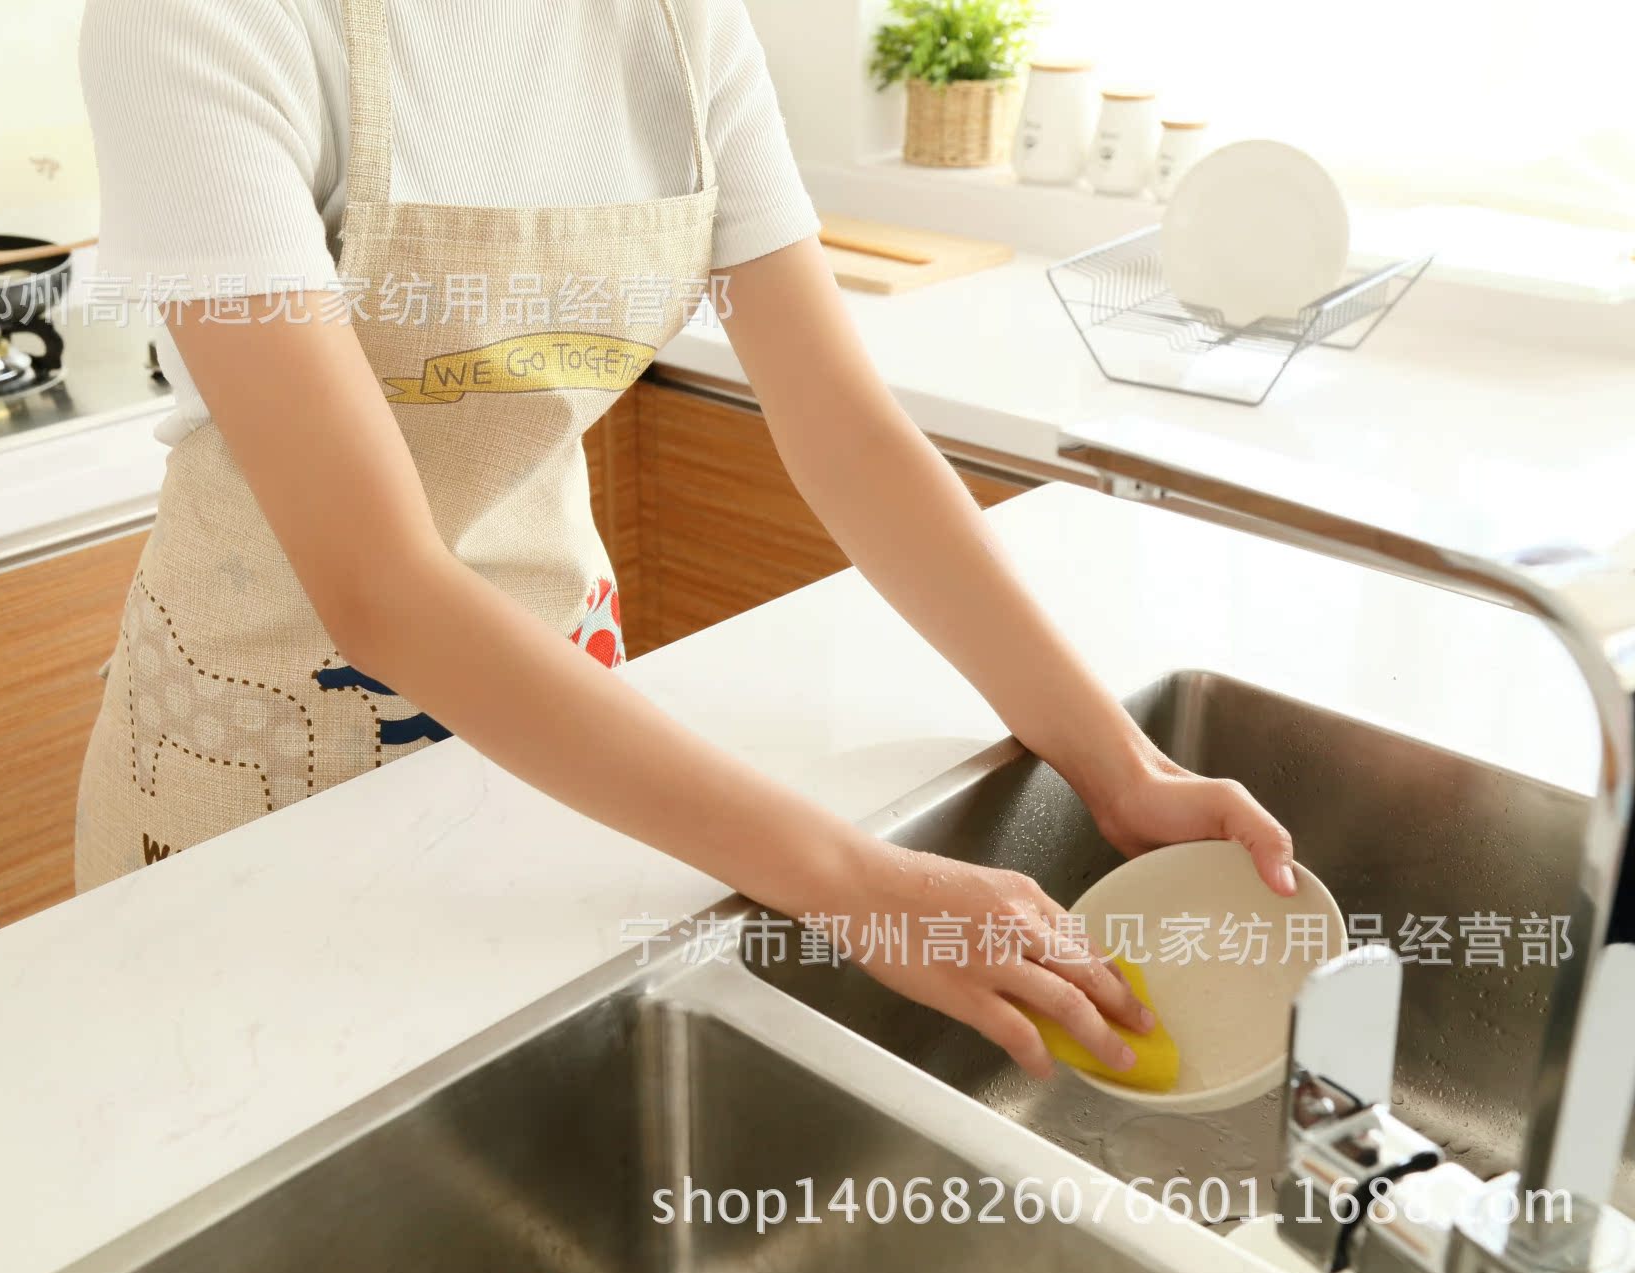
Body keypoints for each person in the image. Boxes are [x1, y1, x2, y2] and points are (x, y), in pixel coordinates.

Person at [74, 0, 1295, 1080]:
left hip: (574, 751)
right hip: (266, 783)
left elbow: (848, 434)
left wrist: (1121, 764)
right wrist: (861, 885)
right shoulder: (199, 18)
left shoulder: (677, 21)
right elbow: (379, 583)